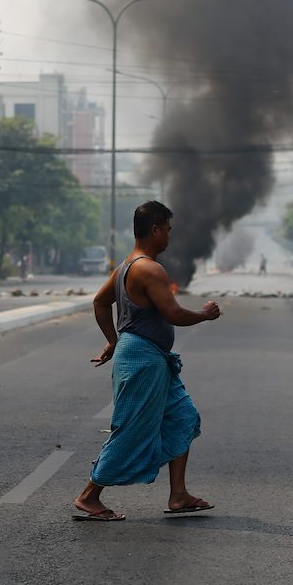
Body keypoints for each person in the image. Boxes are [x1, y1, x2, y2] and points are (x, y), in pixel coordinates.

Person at [73, 201, 221, 521]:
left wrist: (114, 341)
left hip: (150, 357)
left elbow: (100, 303)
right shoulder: (149, 269)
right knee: (131, 428)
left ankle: (178, 495)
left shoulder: (127, 265)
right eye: (167, 229)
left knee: (182, 417)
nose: (169, 236)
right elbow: (173, 313)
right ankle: (88, 496)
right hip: (142, 361)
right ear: (154, 230)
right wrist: (205, 315)